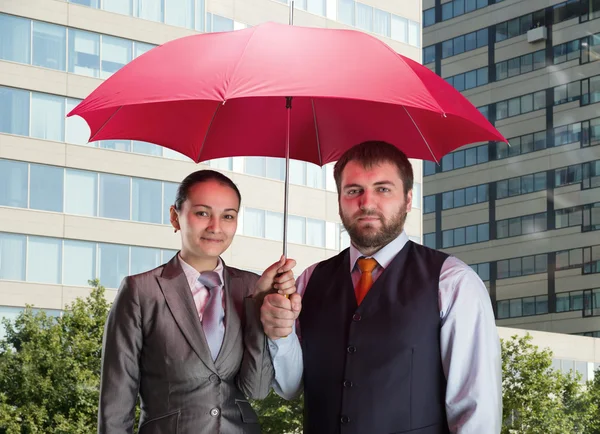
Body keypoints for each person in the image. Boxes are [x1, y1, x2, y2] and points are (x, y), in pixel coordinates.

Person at [261, 141, 502, 434]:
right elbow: (289, 387)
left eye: (383, 189)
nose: (367, 203)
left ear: (408, 199)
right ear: (339, 200)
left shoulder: (452, 281)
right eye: (353, 191)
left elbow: (475, 408)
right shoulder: (309, 280)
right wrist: (280, 334)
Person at [98, 169, 296, 434]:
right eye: (202, 213)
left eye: (228, 216)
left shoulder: (251, 287)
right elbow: (116, 398)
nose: (215, 227)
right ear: (175, 216)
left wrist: (260, 303)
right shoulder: (141, 291)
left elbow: (257, 389)